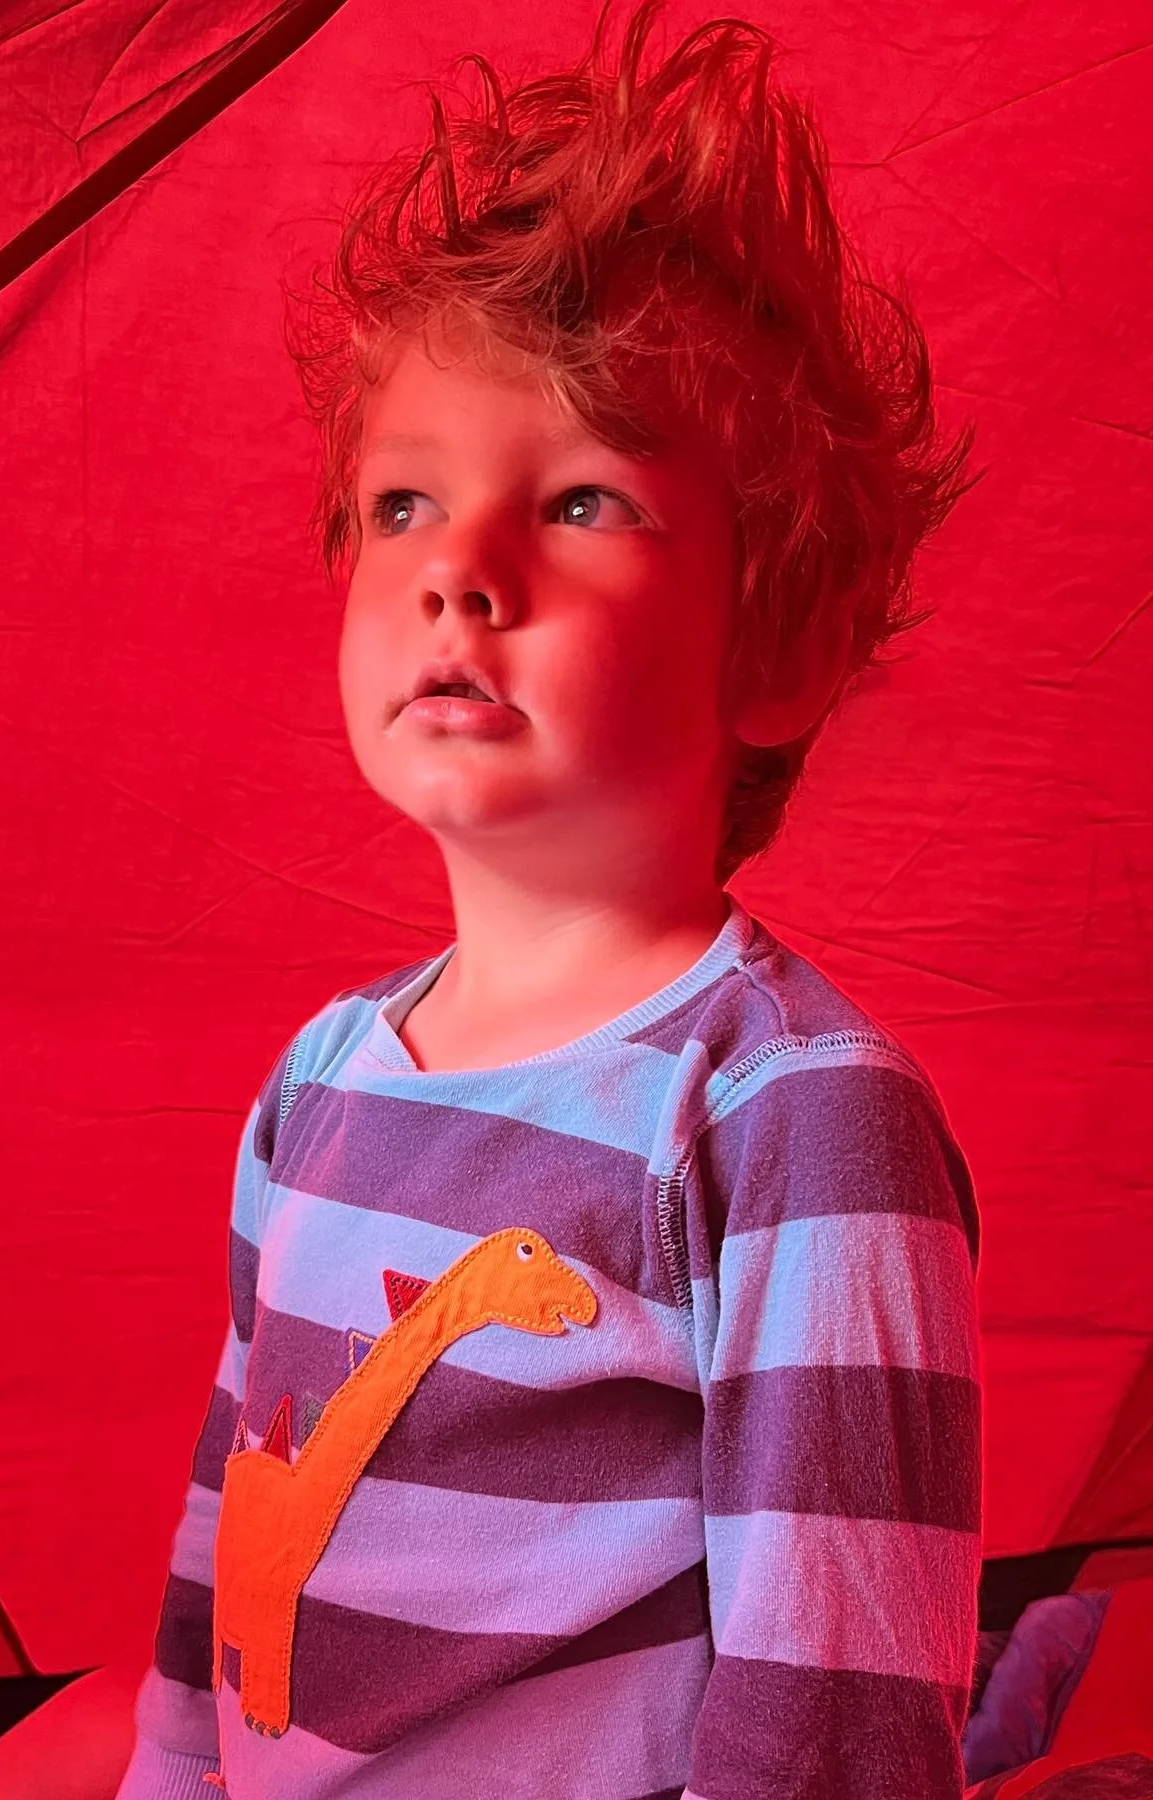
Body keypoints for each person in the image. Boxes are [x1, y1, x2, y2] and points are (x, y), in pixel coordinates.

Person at [113, 2, 984, 1794]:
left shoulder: (789, 1115)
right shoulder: (317, 1083)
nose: (460, 571)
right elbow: (228, 1525)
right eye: (402, 505)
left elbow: (838, 1705)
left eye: (582, 501)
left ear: (783, 647)